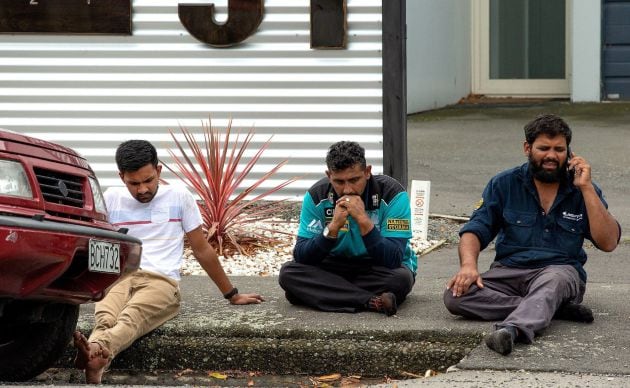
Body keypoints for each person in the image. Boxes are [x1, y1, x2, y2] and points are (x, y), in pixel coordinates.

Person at [73, 140, 264, 383]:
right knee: (106, 316)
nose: (143, 189)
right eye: (134, 183)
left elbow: (201, 249)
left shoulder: (179, 196)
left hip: (161, 282)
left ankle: (97, 347)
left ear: (159, 171)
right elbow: (96, 245)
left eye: (148, 180)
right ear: (121, 177)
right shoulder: (111, 197)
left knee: (132, 315)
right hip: (120, 277)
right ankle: (97, 359)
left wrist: (232, 294)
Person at [443, 114, 621, 355]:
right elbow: (475, 230)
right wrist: (468, 267)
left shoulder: (583, 189)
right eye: (543, 148)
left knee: (553, 281)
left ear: (569, 153)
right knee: (455, 296)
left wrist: (587, 188)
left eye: (559, 149)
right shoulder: (504, 184)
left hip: (560, 273)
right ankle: (551, 309)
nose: (551, 155)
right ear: (527, 148)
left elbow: (609, 242)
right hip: (509, 272)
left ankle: (512, 330)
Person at [278, 141, 417, 316]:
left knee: (400, 280)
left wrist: (363, 220)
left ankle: (322, 293)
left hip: (376, 268)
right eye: (339, 181)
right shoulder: (316, 196)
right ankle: (372, 302)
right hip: (334, 265)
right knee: (288, 274)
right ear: (329, 176)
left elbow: (393, 258)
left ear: (367, 172)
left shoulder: (392, 194)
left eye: (354, 180)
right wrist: (333, 227)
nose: (347, 189)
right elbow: (302, 256)